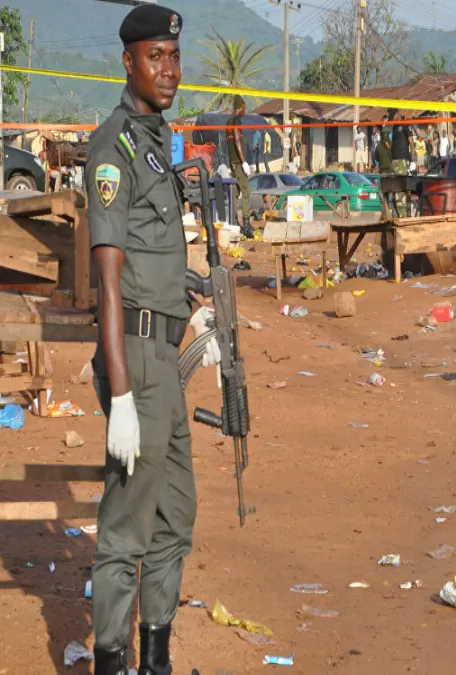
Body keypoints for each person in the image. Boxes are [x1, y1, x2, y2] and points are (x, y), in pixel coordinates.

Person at [87, 5, 220, 674]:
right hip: (135, 360)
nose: (169, 69)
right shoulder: (114, 147)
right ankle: (111, 662)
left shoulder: (154, 141)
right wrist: (120, 397)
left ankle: (156, 661)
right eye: (154, 57)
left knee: (175, 516)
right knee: (127, 526)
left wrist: (186, 297)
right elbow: (110, 281)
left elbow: (150, 256)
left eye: (173, 56)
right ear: (128, 62)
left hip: (164, 354)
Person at [226, 95, 253, 236]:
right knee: (246, 190)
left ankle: (235, 221)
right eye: (244, 108)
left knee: (235, 192)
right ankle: (246, 223)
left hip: (232, 162)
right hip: (238, 162)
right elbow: (237, 140)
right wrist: (244, 162)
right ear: (240, 107)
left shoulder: (228, 121)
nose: (245, 112)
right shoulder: (236, 120)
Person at [389, 112, 413, 215]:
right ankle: (398, 215)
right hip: (394, 161)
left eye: (393, 115)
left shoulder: (405, 125)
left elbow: (411, 143)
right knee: (393, 190)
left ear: (398, 115)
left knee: (400, 191)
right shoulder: (394, 127)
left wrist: (412, 161)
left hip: (402, 160)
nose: (392, 118)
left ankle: (403, 216)